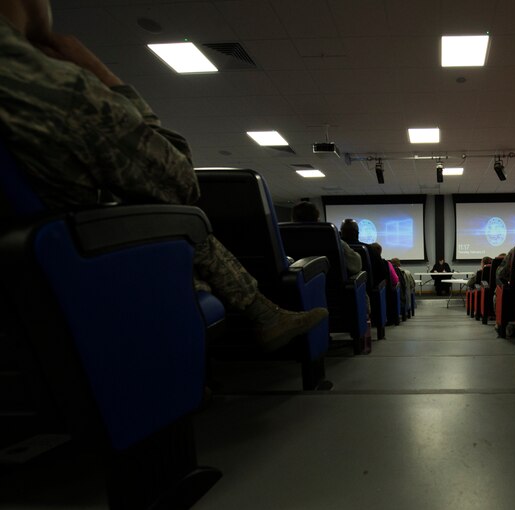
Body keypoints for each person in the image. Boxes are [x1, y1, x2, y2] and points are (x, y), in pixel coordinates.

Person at [0, 0, 327, 353]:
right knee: (188, 221)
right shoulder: (52, 85)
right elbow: (180, 181)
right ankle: (255, 317)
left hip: (20, 281)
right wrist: (102, 75)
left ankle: (257, 319)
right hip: (71, 274)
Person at [290, 201, 362, 278]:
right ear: (317, 220)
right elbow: (356, 264)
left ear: (293, 220)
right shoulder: (334, 241)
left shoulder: (284, 241)